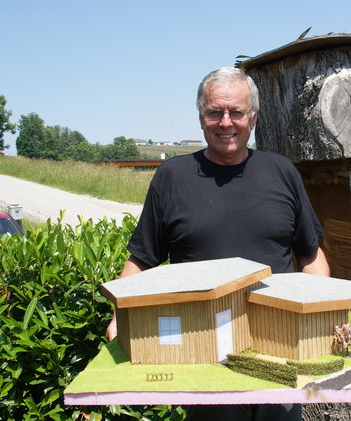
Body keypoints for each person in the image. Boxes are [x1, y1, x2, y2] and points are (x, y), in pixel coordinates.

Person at [107, 67, 329, 421]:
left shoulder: (282, 172)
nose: (226, 122)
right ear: (201, 118)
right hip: (202, 351)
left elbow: (311, 255)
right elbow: (143, 260)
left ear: (252, 118)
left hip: (279, 345)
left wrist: (318, 313)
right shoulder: (171, 177)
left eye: (236, 112)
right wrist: (121, 315)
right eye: (215, 112)